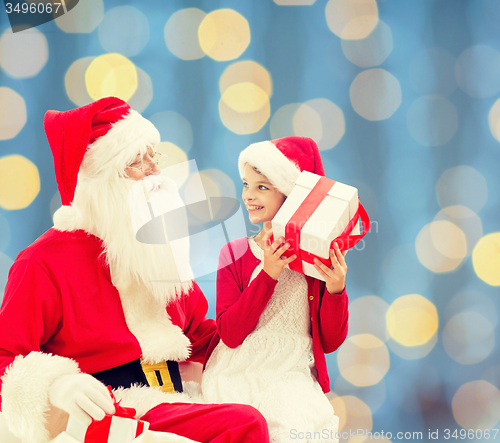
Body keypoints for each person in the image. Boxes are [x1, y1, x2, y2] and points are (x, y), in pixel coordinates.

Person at [0, 97, 269, 443]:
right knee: (243, 424)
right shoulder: (43, 262)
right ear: (101, 180)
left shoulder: (157, 246)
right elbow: (6, 358)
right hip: (116, 408)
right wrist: (57, 384)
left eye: (152, 156)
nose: (154, 171)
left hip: (177, 396)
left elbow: (199, 334)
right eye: (135, 162)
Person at [201, 137, 349, 443]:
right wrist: (268, 273)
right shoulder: (236, 253)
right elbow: (229, 333)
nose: (248, 196)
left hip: (293, 374)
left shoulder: (317, 260)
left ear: (291, 196)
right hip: (240, 371)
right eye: (245, 184)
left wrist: (336, 291)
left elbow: (331, 340)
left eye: (262, 187)